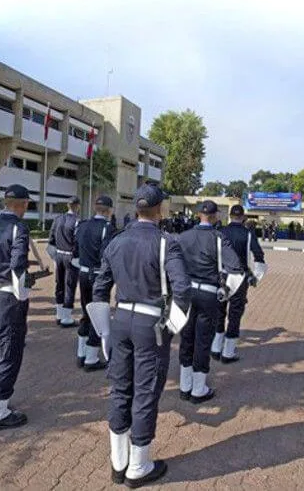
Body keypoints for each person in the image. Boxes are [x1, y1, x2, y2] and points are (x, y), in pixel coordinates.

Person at [93, 183, 192, 487]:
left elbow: (100, 288)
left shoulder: (117, 241)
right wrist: (172, 327)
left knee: (120, 389)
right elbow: (183, 289)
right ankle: (138, 466)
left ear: (136, 209)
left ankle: (118, 461)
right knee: (146, 392)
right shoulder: (166, 243)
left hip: (120, 319)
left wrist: (104, 331)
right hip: (151, 324)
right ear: (159, 209)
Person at [0, 184, 34, 431]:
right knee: (10, 350)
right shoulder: (19, 227)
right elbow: (18, 265)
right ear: (23, 203)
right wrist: (22, 294)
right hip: (9, 296)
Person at [177, 200, 244, 403]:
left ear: (199, 215)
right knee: (203, 340)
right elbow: (236, 268)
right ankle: (198, 389)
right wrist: (226, 292)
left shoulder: (183, 236)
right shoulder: (218, 238)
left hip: (187, 292)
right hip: (208, 293)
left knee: (186, 337)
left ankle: (185, 385)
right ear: (215, 217)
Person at [212, 204, 265, 363]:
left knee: (219, 313)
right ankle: (228, 352)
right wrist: (256, 277)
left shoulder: (220, 231)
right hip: (240, 278)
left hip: (221, 275)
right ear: (243, 217)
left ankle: (215, 348)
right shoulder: (248, 233)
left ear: (230, 216)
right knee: (235, 315)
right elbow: (259, 255)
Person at [73, 195, 115, 371]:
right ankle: (91, 358)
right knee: (98, 316)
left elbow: (75, 250)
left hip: (83, 273)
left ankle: (81, 353)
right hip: (98, 276)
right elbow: (106, 255)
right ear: (109, 210)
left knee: (85, 312)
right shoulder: (107, 228)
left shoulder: (82, 225)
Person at [48, 197, 80, 327]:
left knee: (59, 284)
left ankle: (59, 315)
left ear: (68, 205)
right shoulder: (77, 221)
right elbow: (77, 242)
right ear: (77, 206)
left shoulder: (57, 219)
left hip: (58, 255)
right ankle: (66, 318)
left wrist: (54, 257)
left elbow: (51, 239)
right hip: (70, 256)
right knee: (69, 286)